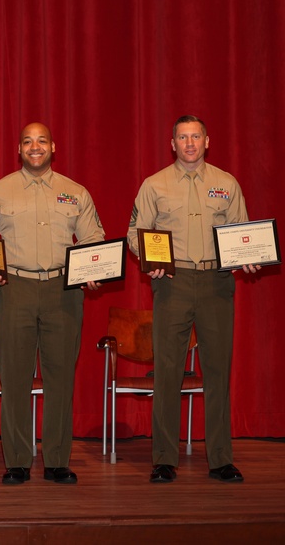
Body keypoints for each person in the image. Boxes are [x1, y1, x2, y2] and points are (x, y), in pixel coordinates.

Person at [0, 122, 104, 485]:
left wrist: (95, 268)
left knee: (60, 378)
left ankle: (57, 460)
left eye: (41, 140)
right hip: (15, 289)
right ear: (19, 150)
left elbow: (94, 238)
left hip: (64, 290)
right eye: (27, 141)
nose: (35, 146)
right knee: (15, 377)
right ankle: (17, 461)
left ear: (53, 147)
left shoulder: (75, 192)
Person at [127, 115, 259, 484]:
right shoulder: (154, 185)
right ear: (172, 144)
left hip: (217, 282)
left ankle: (220, 459)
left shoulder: (226, 184)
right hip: (173, 280)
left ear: (206, 141)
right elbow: (136, 233)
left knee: (217, 371)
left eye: (195, 136)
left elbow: (241, 232)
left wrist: (246, 254)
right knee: (168, 371)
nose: (189, 143)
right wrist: (150, 261)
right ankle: (164, 459)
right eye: (182, 137)